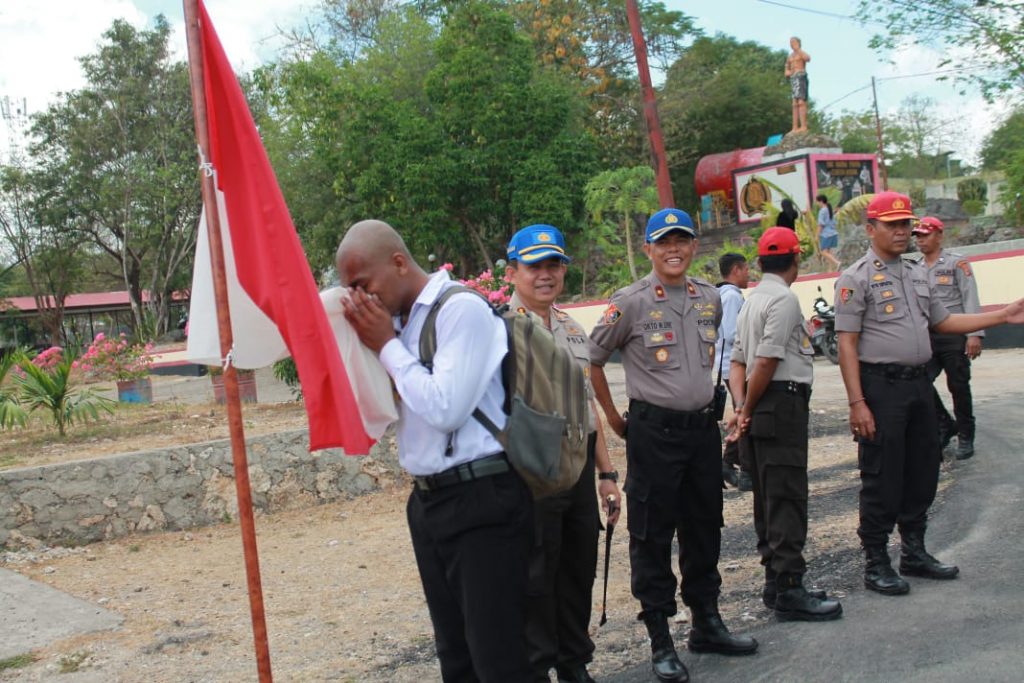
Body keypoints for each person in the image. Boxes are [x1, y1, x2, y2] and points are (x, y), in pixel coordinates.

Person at [337, 219, 533, 682]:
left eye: (364, 284)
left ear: (399, 263)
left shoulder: (459, 309)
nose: (362, 298)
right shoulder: (400, 323)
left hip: (483, 497)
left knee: (499, 660)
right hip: (429, 502)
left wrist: (386, 345)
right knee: (456, 656)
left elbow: (446, 407)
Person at [590, 208, 758, 683]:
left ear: (694, 246)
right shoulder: (631, 302)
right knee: (652, 533)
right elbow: (594, 360)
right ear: (648, 249)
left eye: (682, 240)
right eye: (664, 242)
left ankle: (706, 622)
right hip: (653, 434)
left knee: (705, 525)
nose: (674, 249)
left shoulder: (710, 298)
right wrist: (615, 418)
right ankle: (660, 638)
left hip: (700, 432)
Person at [833, 193, 1024, 597]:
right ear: (871, 230)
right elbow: (847, 344)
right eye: (892, 225)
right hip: (880, 388)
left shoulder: (918, 273)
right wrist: (857, 403)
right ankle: (876, 561)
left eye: (906, 224)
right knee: (882, 475)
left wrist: (1002, 315)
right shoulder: (856, 278)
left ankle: (914, 551)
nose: (902, 231)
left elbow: (946, 320)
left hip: (920, 385)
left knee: (924, 467)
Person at [504, 225, 622, 683]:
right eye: (535, 266)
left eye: (553, 265)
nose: (545, 275)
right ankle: (537, 670)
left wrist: (607, 473)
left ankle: (574, 665)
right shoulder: (502, 330)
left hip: (575, 475)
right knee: (535, 578)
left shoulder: (573, 329)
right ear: (513, 272)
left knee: (577, 572)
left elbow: (587, 407)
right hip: (530, 475)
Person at [726, 228, 843, 622]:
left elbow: (738, 362)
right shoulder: (784, 300)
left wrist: (742, 405)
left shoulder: (750, 300)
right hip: (779, 402)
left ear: (759, 263)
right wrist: (748, 409)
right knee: (788, 495)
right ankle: (790, 586)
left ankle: (775, 582)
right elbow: (766, 360)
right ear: (796, 260)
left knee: (766, 495)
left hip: (758, 404)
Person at [912, 216, 982, 460]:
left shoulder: (956, 263)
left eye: (925, 235)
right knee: (919, 382)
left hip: (954, 335)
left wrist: (974, 334)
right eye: (918, 236)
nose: (920, 240)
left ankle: (965, 434)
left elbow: (969, 297)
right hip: (928, 336)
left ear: (939, 235)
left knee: (959, 386)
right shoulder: (915, 268)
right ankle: (944, 424)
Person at [716, 252, 752, 491]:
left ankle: (731, 461)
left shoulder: (725, 295)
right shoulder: (730, 297)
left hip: (732, 363)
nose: (749, 274)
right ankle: (742, 468)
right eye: (746, 269)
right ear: (736, 270)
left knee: (746, 412)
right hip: (734, 364)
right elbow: (731, 333)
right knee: (748, 413)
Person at [784, 36, 811, 134]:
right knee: (794, 103)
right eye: (791, 42)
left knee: (801, 101)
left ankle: (803, 126)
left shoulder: (801, 53)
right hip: (793, 78)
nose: (792, 44)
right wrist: (788, 72)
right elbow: (786, 69)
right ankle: (795, 127)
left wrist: (798, 49)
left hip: (801, 76)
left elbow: (808, 58)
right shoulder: (790, 57)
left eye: (794, 42)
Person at [816, 194, 841, 271]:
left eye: (817, 202)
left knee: (823, 252)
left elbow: (821, 224)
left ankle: (837, 263)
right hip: (833, 233)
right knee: (828, 252)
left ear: (821, 202)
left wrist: (816, 235)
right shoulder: (828, 209)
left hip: (826, 234)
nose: (816, 204)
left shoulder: (822, 211)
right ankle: (830, 270)